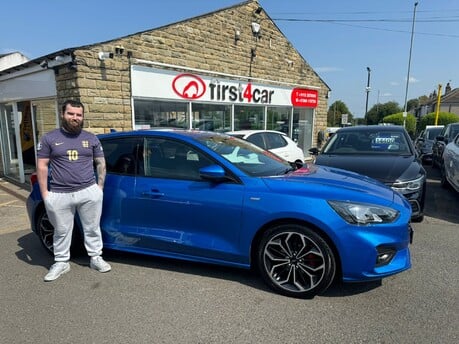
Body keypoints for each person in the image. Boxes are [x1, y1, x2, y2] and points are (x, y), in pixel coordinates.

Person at [36, 99, 111, 282]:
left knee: (92, 228)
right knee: (61, 230)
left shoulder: (91, 138)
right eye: (71, 114)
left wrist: (99, 188)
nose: (75, 118)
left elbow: (100, 163)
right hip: (60, 193)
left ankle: (95, 258)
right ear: (63, 114)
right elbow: (42, 166)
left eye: (78, 114)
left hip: (88, 191)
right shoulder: (49, 138)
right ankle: (61, 262)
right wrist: (46, 194)